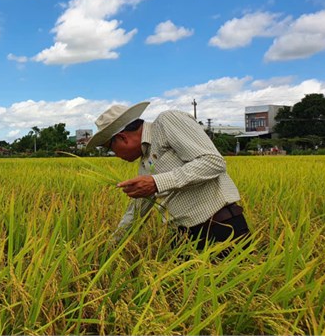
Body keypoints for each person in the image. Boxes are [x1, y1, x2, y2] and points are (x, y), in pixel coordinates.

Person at [86, 102, 250, 255]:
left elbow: (213, 161)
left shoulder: (167, 122)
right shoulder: (145, 164)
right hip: (183, 240)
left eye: (112, 149)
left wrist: (157, 183)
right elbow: (135, 213)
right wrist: (108, 248)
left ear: (122, 138)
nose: (116, 155)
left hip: (221, 230)